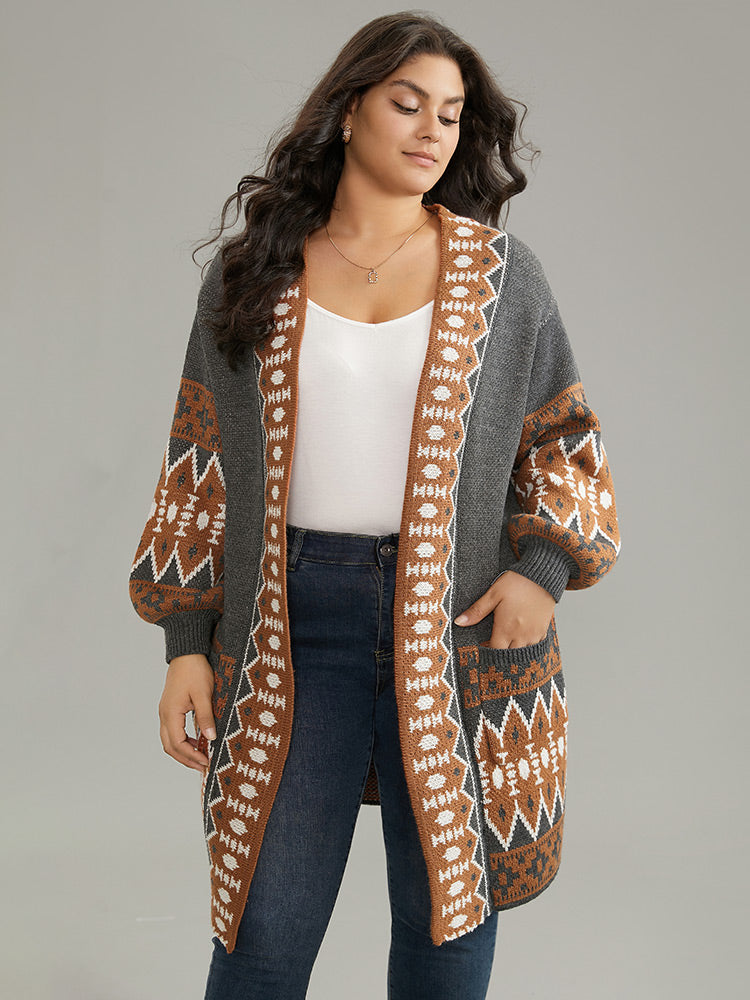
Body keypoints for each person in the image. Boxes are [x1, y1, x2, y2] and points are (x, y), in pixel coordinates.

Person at [128, 11, 621, 1000]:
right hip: (287, 623)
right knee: (262, 930)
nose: (433, 130)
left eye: (451, 113)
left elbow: (565, 439)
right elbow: (199, 464)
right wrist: (186, 640)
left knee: (446, 920)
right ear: (349, 110)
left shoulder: (502, 279)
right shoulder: (255, 273)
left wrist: (543, 569)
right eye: (408, 103)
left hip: (455, 626)